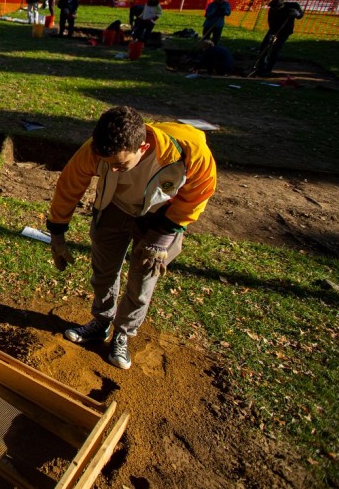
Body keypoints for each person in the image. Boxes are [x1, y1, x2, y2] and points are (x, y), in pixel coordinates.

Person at [47, 106, 216, 370]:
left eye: (119, 164)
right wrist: (57, 233)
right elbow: (70, 185)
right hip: (114, 205)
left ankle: (123, 332)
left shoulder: (189, 149)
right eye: (107, 164)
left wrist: (164, 237)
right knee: (104, 269)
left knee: (143, 277)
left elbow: (200, 192)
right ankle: (101, 322)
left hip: (162, 216)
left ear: (144, 147)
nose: (112, 170)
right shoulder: (95, 149)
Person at [257, 0, 304, 77]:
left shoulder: (293, 6)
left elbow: (300, 15)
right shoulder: (272, 10)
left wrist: (297, 14)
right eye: (273, 7)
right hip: (274, 29)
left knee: (276, 49)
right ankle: (261, 66)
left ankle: (269, 68)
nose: (274, 9)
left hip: (285, 31)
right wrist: (272, 34)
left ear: (281, 6)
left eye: (276, 8)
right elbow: (271, 22)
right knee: (264, 46)